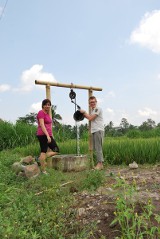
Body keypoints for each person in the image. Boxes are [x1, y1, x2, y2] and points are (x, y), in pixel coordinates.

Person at [80, 96, 104, 170]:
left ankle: (100, 164)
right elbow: (90, 119)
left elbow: (90, 118)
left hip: (98, 130)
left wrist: (84, 112)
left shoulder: (98, 109)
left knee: (98, 147)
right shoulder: (92, 111)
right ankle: (98, 163)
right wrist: (84, 114)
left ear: (96, 102)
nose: (92, 103)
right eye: (91, 102)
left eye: (93, 102)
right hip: (94, 130)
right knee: (95, 148)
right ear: (89, 104)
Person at [36, 99, 59, 174]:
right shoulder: (41, 112)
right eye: (46, 104)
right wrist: (47, 136)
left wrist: (50, 135)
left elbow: (49, 126)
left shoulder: (47, 114)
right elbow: (42, 125)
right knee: (43, 151)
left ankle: (40, 159)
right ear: (43, 105)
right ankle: (43, 171)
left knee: (56, 150)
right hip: (43, 135)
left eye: (49, 104)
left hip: (48, 135)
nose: (47, 106)